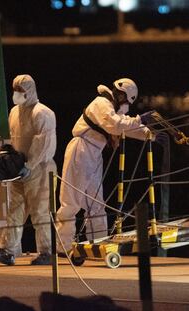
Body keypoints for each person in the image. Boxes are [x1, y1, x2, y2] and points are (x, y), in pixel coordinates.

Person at [56, 78, 165, 254]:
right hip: (81, 150)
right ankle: (63, 247)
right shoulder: (102, 103)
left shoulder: (112, 109)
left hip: (94, 154)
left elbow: (125, 126)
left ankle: (98, 244)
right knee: (71, 201)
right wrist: (140, 119)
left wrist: (150, 134)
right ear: (120, 95)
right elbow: (115, 126)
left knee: (96, 204)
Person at [0, 74, 57, 265]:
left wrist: (29, 165)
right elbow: (12, 138)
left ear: (30, 91)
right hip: (19, 169)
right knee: (15, 210)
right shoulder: (15, 112)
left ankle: (47, 251)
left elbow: (43, 143)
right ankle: (8, 251)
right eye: (15, 90)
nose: (17, 94)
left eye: (21, 91)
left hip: (39, 167)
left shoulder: (42, 113)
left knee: (40, 210)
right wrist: (7, 156)